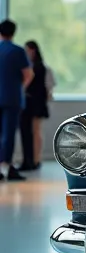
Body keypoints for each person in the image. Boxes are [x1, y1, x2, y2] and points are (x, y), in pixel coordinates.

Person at [0, 20, 32, 181]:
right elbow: (28, 75)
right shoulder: (17, 51)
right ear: (13, 32)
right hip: (12, 97)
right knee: (8, 134)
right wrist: (21, 87)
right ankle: (6, 166)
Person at [19, 40, 54, 171]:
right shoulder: (36, 66)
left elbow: (49, 87)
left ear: (33, 50)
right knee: (32, 131)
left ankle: (35, 159)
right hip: (33, 102)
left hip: (35, 102)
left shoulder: (38, 67)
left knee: (35, 131)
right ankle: (31, 159)